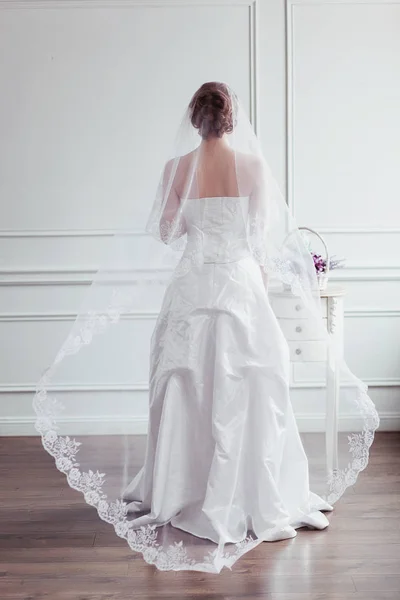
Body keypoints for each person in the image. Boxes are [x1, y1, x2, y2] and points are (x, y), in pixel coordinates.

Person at [34, 82, 379, 573]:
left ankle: (181, 488)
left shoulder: (175, 169)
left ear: (195, 119)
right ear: (232, 119)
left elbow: (167, 232)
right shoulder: (255, 168)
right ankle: (253, 492)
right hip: (239, 287)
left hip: (192, 287)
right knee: (252, 385)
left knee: (184, 383)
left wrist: (197, 225)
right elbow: (259, 240)